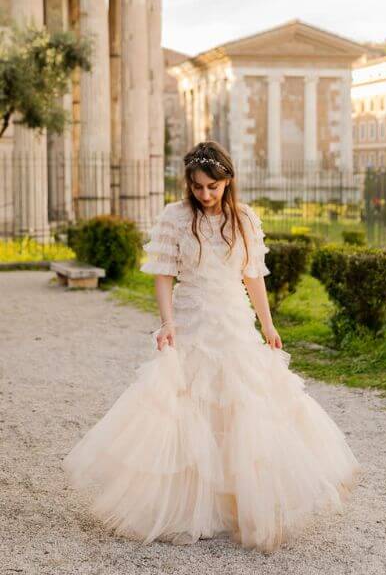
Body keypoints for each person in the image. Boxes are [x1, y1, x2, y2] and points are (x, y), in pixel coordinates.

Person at [63, 142, 357, 553]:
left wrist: (269, 326)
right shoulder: (174, 217)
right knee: (189, 404)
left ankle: (234, 504)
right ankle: (194, 507)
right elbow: (164, 274)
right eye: (197, 186)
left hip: (233, 320)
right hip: (191, 317)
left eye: (213, 186)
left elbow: (254, 276)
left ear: (228, 181)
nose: (205, 194)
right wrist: (167, 323)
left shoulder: (244, 220)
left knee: (242, 404)